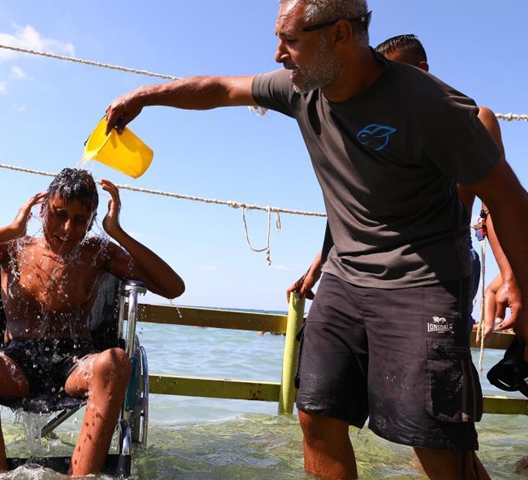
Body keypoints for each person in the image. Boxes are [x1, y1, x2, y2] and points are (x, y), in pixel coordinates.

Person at [104, 1, 528, 478]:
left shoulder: (430, 105)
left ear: (340, 34)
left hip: (421, 284)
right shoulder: (301, 89)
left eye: (291, 40)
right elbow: (222, 89)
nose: (279, 54)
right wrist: (146, 95)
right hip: (346, 281)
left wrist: (520, 283)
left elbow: (510, 199)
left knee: (433, 443)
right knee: (316, 414)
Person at [0, 168, 185, 475]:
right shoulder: (15, 246)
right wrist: (9, 231)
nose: (68, 228)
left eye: (81, 220)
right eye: (59, 214)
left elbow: (173, 287)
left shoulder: (98, 252)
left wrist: (117, 232)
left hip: (74, 363)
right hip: (16, 365)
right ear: (42, 209)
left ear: (92, 220)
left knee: (115, 361)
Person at [287, 34, 516, 337]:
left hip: (442, 263)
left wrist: (512, 277)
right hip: (372, 260)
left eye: (393, 77)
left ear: (421, 70)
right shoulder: (379, 133)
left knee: (430, 371)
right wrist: (319, 266)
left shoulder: (473, 121)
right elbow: (355, 207)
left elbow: (497, 206)